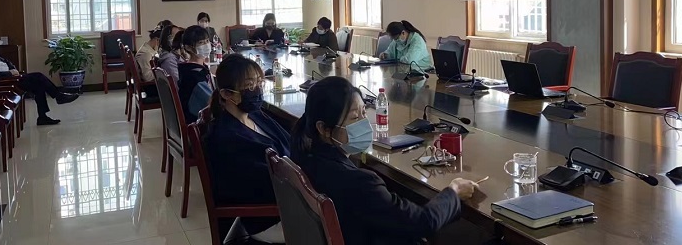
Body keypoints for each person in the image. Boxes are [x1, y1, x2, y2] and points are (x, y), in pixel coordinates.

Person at [291, 76, 478, 245]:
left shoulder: (304, 155)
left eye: (364, 112)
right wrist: (454, 192)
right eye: (354, 117)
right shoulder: (359, 182)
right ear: (324, 129)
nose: (364, 123)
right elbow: (422, 222)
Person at [203, 54, 288, 243]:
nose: (257, 90)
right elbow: (269, 185)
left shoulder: (255, 115)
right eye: (249, 85)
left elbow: (288, 143)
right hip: (269, 218)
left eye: (259, 83)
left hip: (289, 202)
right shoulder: (227, 139)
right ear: (226, 94)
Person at [0, 28, 79, 126]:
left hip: (10, 78)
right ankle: (58, 96)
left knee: (38, 85)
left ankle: (43, 116)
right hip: (2, 83)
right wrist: (10, 73)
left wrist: (13, 70)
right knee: (38, 76)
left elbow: (7, 62)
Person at [177, 26, 213, 123]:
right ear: (188, 47)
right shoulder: (193, 75)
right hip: (197, 122)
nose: (206, 45)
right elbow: (212, 104)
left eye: (207, 41)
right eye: (201, 43)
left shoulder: (189, 68)